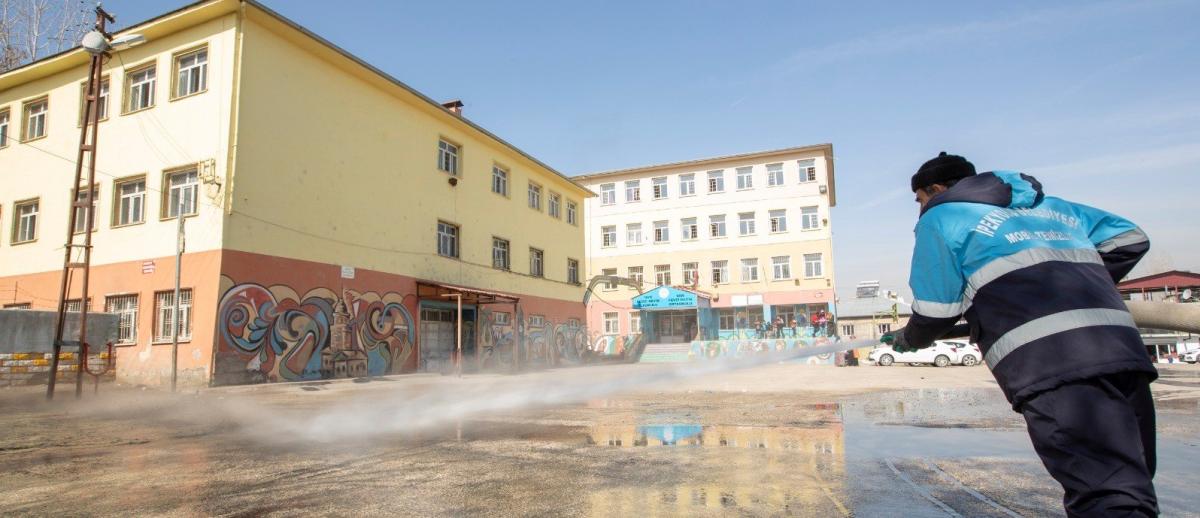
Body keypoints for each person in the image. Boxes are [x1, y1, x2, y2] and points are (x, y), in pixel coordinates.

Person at [881, 152, 1156, 516]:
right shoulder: (1054, 207)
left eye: (919, 199)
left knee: (1105, 494)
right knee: (1130, 481)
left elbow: (936, 310)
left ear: (934, 188)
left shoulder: (944, 216)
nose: (920, 207)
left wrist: (911, 338)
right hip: (1122, 351)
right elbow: (1130, 238)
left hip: (1052, 364)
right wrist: (1072, 282)